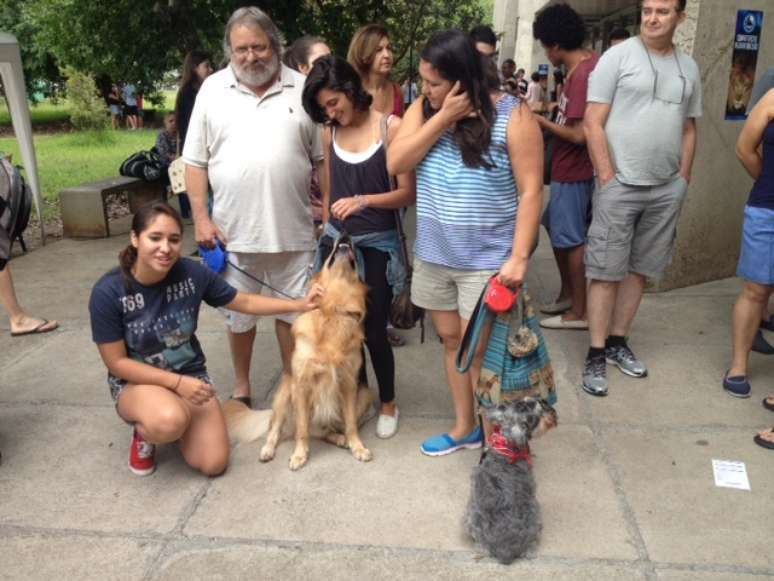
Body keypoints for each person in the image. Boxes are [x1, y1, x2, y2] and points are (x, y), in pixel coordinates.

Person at [387, 30, 543, 456]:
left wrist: (520, 257)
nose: (426, 90)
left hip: (488, 262)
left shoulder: (513, 115)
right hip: (436, 256)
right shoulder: (425, 110)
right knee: (453, 344)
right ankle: (465, 427)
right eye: (423, 82)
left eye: (434, 83)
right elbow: (396, 162)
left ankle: (501, 437)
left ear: (462, 78)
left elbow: (532, 191)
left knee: (485, 354)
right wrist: (442, 115)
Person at [89, 203, 322, 476]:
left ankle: (176, 420)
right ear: (134, 238)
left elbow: (243, 301)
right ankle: (147, 433)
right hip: (137, 381)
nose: (165, 248)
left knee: (213, 463)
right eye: (155, 237)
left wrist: (299, 305)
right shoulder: (109, 292)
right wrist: (176, 384)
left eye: (174, 240)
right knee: (168, 420)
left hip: (190, 375)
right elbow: (116, 363)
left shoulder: (192, 274)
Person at [183, 7, 323, 408]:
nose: (251, 57)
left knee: (293, 316)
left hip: (294, 231)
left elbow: (322, 161)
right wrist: (201, 218)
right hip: (233, 233)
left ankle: (291, 384)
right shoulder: (212, 89)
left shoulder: (302, 87)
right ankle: (242, 386)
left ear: (275, 45)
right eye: (241, 49)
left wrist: (327, 215)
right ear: (230, 49)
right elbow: (195, 161)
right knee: (239, 317)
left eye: (259, 47)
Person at [580, 0, 702, 397]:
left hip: (666, 187)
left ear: (680, 18)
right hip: (620, 185)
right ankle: (596, 352)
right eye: (648, 9)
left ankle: (618, 342)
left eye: (663, 11)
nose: (652, 18)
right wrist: (607, 177)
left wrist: (683, 178)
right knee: (605, 269)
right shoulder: (617, 58)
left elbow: (688, 129)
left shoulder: (689, 68)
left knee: (640, 270)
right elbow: (592, 122)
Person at [302, 55, 416, 438]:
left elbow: (406, 193)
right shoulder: (329, 133)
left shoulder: (390, 127)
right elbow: (332, 191)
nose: (331, 112)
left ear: (351, 89)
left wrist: (365, 200)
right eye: (323, 109)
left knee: (374, 330)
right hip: (338, 247)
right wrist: (324, 232)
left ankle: (389, 404)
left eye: (334, 102)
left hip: (378, 248)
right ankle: (361, 397)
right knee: (345, 331)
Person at [532, 3, 600, 331]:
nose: (545, 53)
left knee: (571, 239)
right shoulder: (579, 70)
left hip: (574, 171)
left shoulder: (584, 74)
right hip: (567, 170)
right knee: (554, 225)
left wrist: (539, 122)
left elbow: (578, 134)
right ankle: (569, 294)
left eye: (545, 45)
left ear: (555, 44)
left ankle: (580, 312)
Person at [722, 89, 774, 452]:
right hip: (767, 210)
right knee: (756, 290)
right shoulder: (772, 98)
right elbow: (744, 148)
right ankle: (738, 366)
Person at [282, 36, 332, 231]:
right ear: (303, 68)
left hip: (333, 208)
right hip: (304, 214)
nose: (329, 66)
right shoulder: (298, 108)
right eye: (321, 61)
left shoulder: (335, 102)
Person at [175, 50, 214, 221]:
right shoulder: (188, 94)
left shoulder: (204, 90)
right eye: (206, 66)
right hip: (198, 154)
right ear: (194, 68)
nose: (210, 70)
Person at [347, 24, 403, 117]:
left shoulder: (397, 91)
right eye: (378, 50)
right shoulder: (351, 93)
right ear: (363, 53)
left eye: (388, 48)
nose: (386, 55)